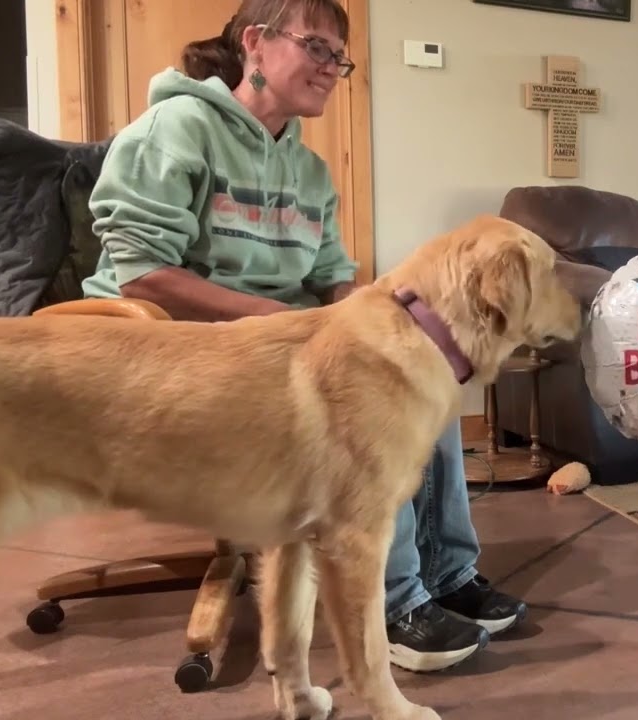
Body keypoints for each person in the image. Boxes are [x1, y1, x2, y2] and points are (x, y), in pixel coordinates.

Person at [78, 0, 525, 672]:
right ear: (256, 42)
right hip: (173, 358)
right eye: (316, 47)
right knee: (368, 410)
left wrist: (392, 320)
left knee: (422, 372)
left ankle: (448, 573)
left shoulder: (309, 172)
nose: (330, 68)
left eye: (337, 57)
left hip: (279, 352)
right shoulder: (177, 127)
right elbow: (140, 273)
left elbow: (332, 281)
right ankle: (392, 602)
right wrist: (271, 320)